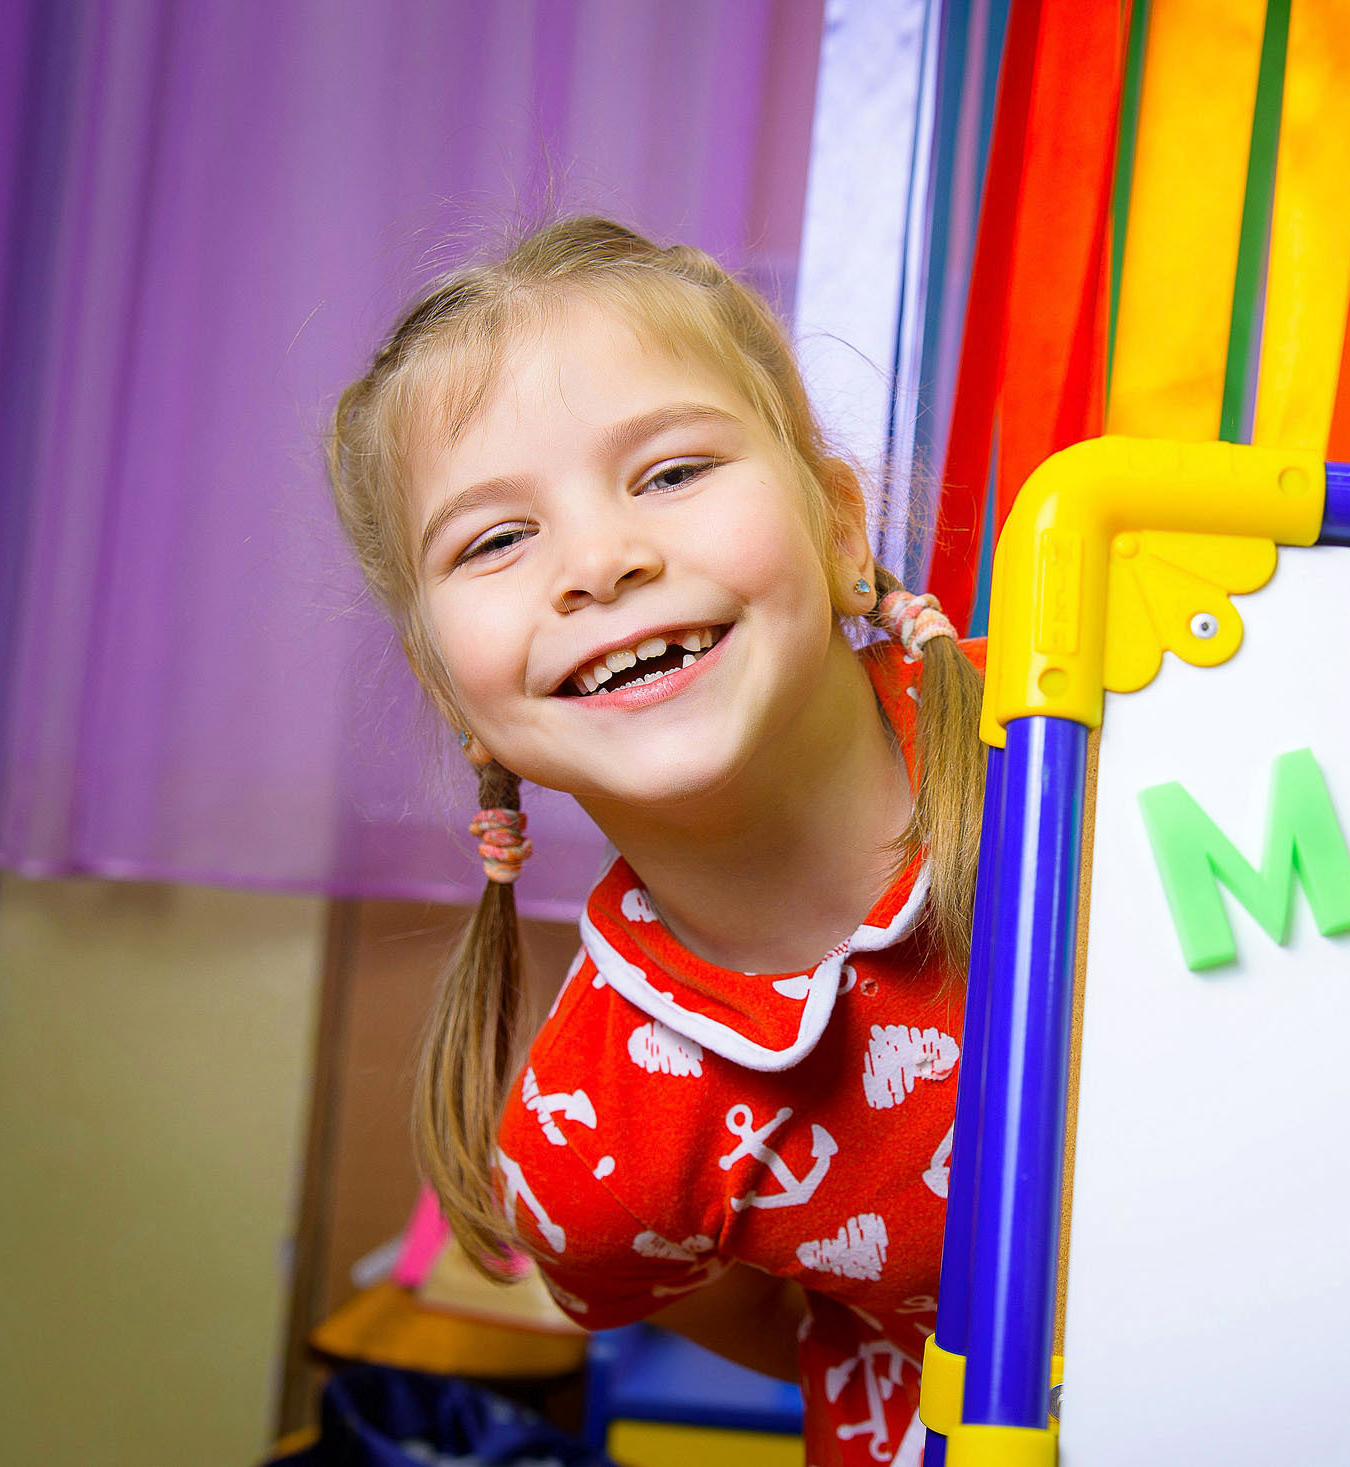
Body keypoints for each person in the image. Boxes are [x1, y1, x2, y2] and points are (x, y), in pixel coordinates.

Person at [325, 215, 985, 1467]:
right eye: (495, 540)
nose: (601, 563)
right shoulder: (594, 1147)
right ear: (456, 697)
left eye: (672, 473)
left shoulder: (1109, 745)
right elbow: (782, 1320)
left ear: (840, 528)